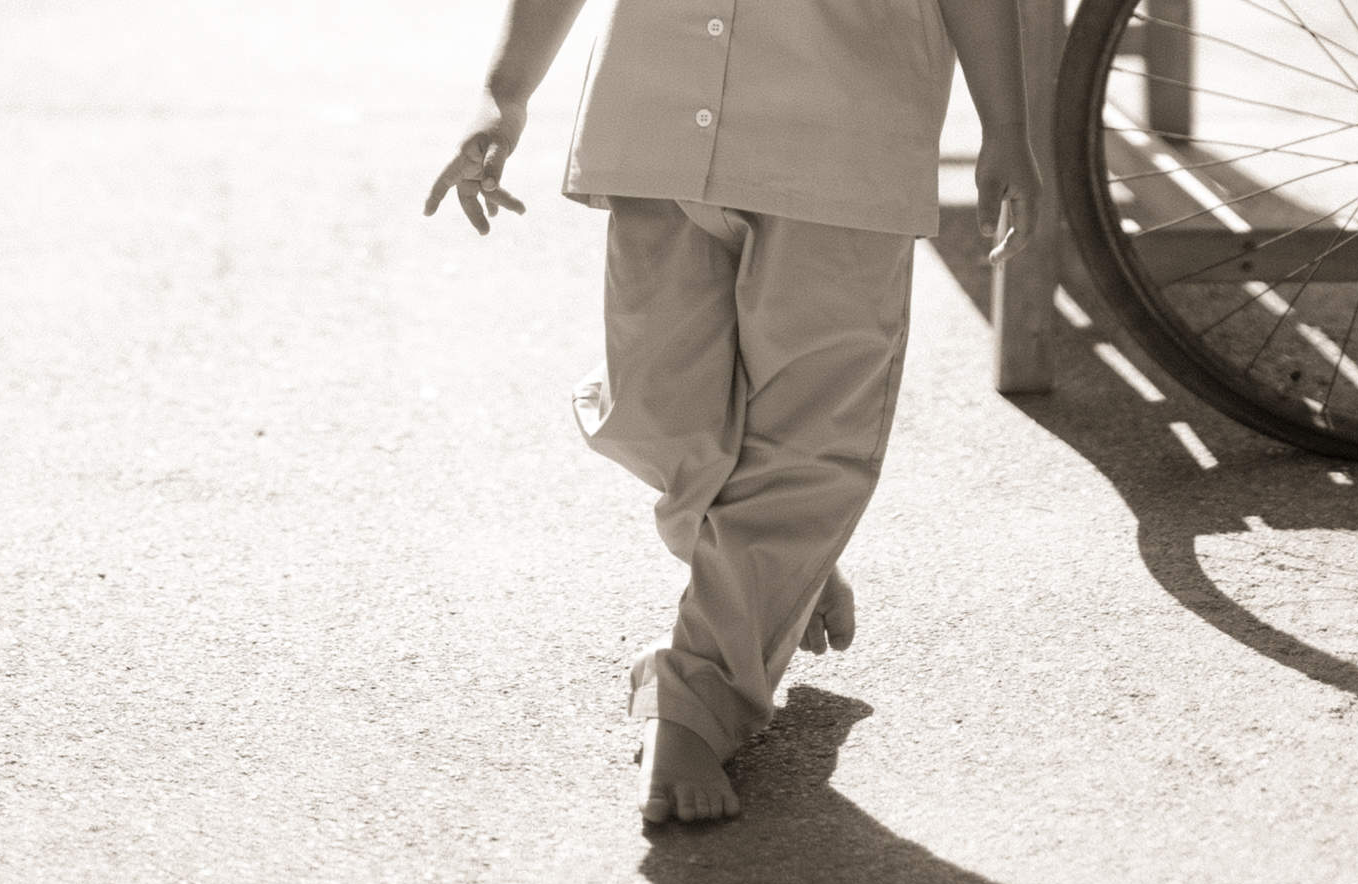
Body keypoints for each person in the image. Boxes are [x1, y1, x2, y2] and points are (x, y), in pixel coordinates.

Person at [424, 0, 1040, 824]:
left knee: (810, 446)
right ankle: (770, 560)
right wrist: (504, 94)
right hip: (657, 128)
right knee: (654, 412)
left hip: (844, 143)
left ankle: (694, 701)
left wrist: (1006, 127)